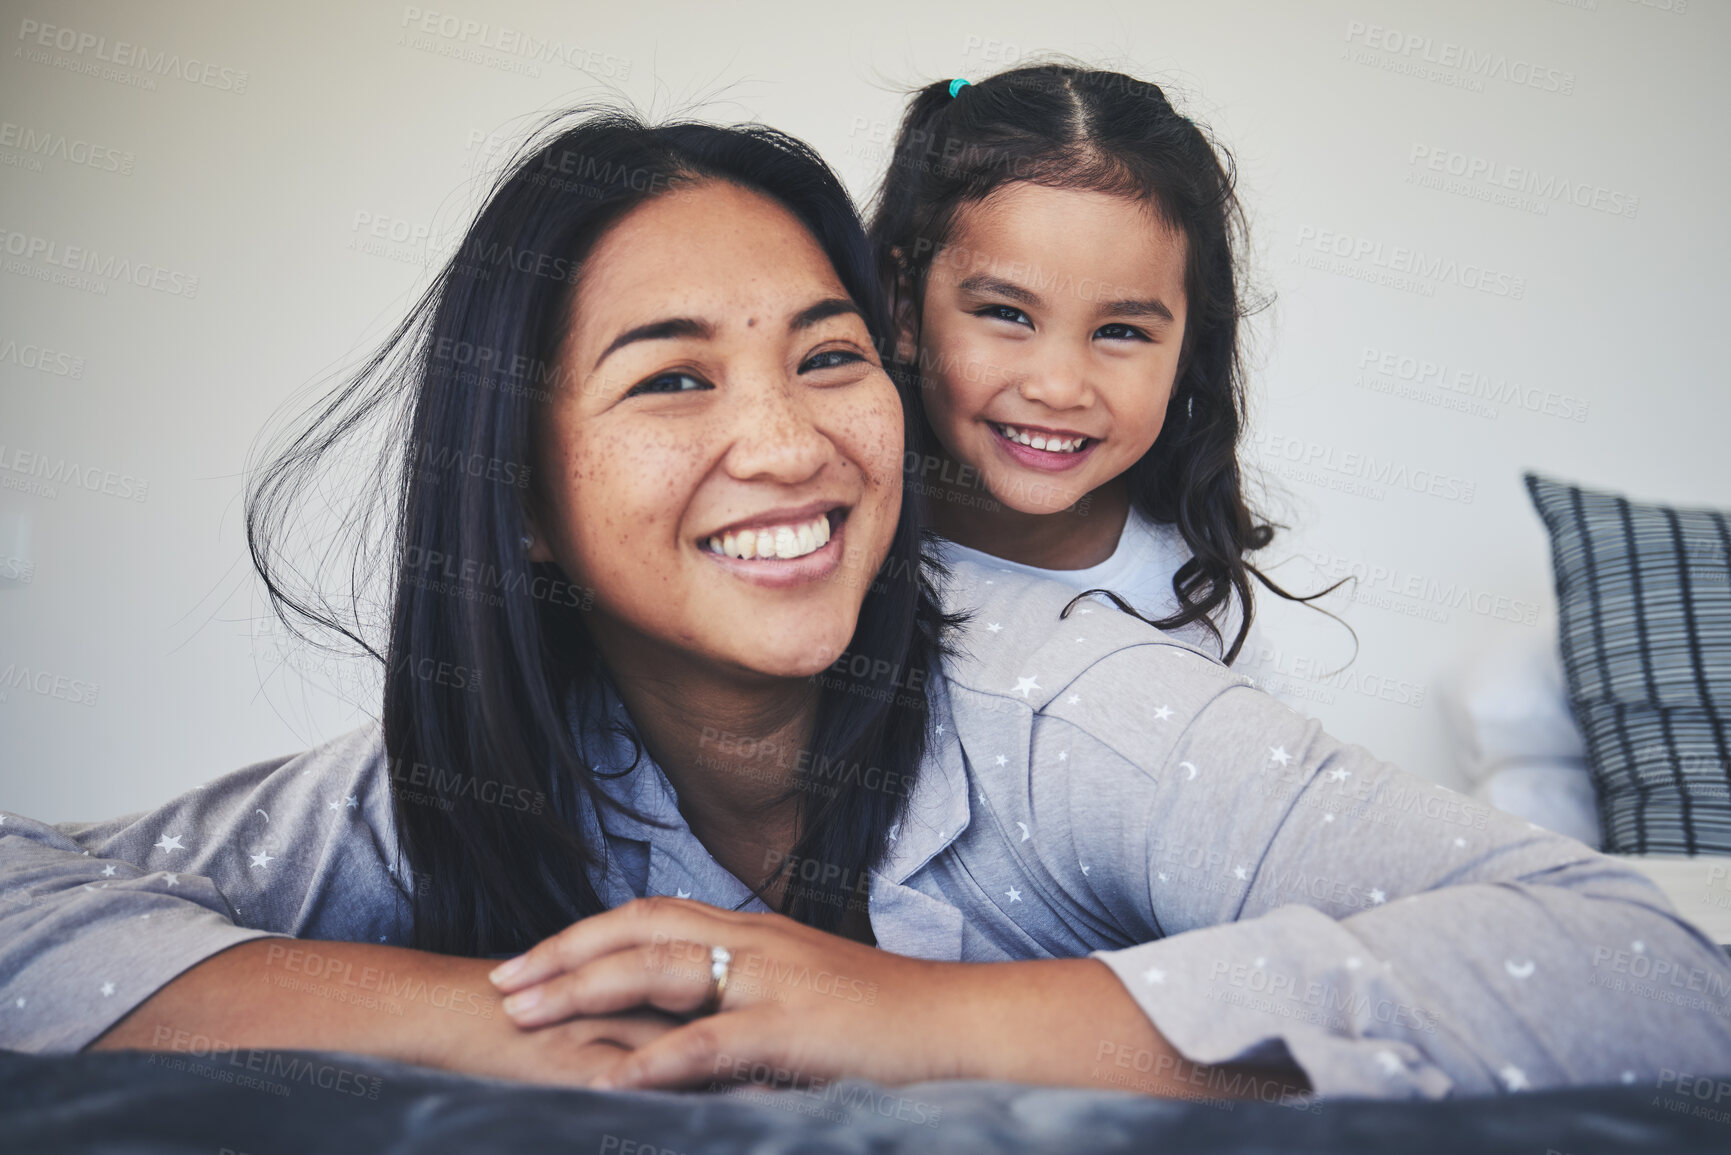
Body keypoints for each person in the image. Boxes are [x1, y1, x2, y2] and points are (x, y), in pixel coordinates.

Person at [1, 110, 1726, 1102]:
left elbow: (1656, 974)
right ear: (524, 503)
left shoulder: (1068, 705)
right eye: (672, 381)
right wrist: (503, 1024)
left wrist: (895, 1016)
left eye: (830, 360)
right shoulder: (480, 769)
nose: (788, 442)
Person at [868, 63, 1332, 668]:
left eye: (1119, 331)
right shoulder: (835, 538)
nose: (1059, 388)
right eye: (1008, 314)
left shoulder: (1194, 607)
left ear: (1187, 349)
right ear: (906, 313)